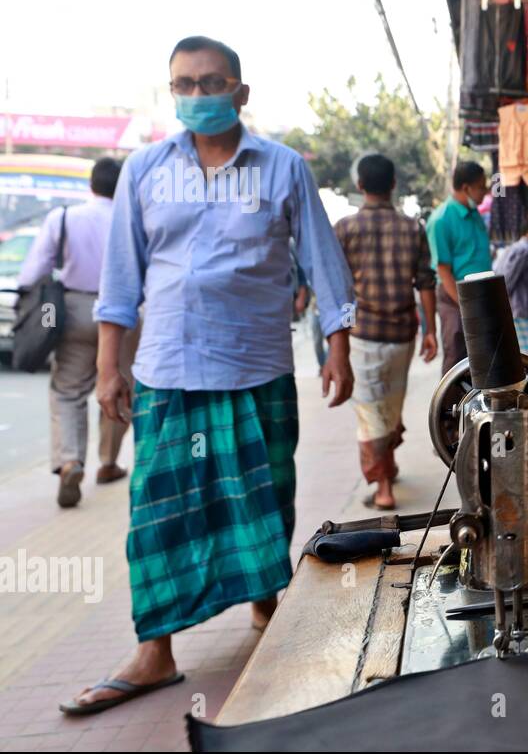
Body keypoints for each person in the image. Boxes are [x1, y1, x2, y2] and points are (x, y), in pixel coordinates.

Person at [60, 35, 356, 715]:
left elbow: (320, 260)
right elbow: (120, 280)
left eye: (212, 82)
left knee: (260, 497)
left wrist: (336, 346)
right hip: (167, 368)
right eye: (185, 85)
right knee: (157, 514)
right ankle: (155, 651)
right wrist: (109, 368)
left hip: (255, 366)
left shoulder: (283, 168)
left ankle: (263, 603)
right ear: (173, 93)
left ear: (241, 92)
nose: (199, 95)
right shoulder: (143, 170)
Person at [17, 157, 139, 507]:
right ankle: (109, 462)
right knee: (119, 388)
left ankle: (71, 460)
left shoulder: (65, 217)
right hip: (125, 312)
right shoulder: (131, 218)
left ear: (91, 184)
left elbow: (33, 271)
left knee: (68, 390)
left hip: (73, 310)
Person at [334, 153, 438, 510]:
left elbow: (337, 288)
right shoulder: (412, 227)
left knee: (369, 411)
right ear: (393, 184)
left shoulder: (344, 229)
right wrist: (431, 329)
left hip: (363, 335)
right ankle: (388, 467)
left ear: (360, 185)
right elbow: (426, 281)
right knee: (389, 405)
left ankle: (383, 489)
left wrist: (338, 338)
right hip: (403, 335)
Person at [428, 160, 491, 375]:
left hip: (480, 291)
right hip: (454, 293)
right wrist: (464, 303)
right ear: (466, 188)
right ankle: (446, 407)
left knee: (482, 355)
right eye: (481, 187)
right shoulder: (441, 219)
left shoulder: (475, 215)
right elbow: (443, 269)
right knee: (456, 354)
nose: (485, 192)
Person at [492, 219, 528, 358]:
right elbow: (509, 278)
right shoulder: (526, 250)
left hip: (513, 306)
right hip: (518, 307)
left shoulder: (515, 247)